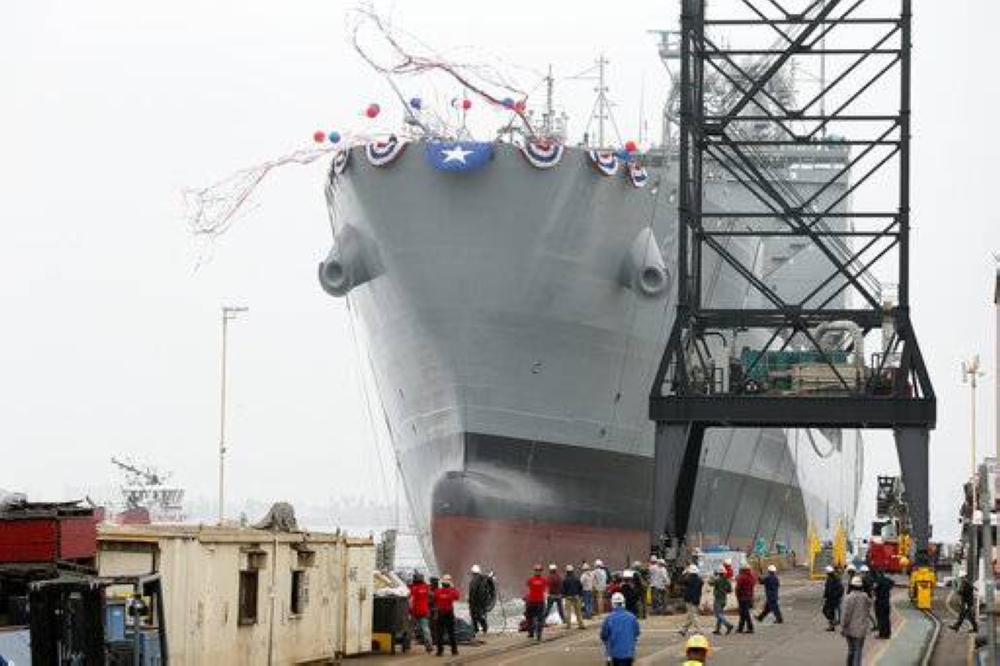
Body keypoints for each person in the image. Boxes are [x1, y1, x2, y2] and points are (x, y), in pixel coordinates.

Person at [600, 592, 641, 666]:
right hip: (629, 653)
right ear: (623, 603)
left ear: (613, 604)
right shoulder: (632, 617)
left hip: (614, 654)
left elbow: (603, 635)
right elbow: (637, 633)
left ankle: (609, 657)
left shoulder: (609, 618)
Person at [841, 575, 872, 666]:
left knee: (851, 650)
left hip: (849, 629)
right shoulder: (865, 597)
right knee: (858, 651)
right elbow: (869, 605)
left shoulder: (848, 598)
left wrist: (843, 627)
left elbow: (846, 615)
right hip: (861, 629)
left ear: (851, 586)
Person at [433, 574, 461, 657]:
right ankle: (454, 651)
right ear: (449, 583)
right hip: (449, 613)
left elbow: (434, 598)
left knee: (440, 633)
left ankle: (439, 651)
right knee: (451, 633)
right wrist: (452, 587)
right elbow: (457, 597)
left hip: (440, 614)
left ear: (442, 583)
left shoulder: (437, 591)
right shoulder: (452, 591)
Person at [409, 571, 433, 652]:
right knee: (425, 629)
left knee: (410, 628)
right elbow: (431, 596)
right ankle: (429, 645)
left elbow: (411, 601)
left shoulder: (413, 589)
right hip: (424, 611)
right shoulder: (426, 587)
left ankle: (407, 644)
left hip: (415, 612)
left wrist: (409, 610)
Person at [708, 565, 734, 635]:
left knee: (717, 614)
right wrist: (724, 590)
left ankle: (728, 625)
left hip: (718, 599)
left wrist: (712, 576)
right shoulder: (727, 580)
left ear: (719, 573)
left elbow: (710, 583)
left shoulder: (717, 580)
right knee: (720, 614)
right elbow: (730, 590)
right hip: (724, 599)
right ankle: (717, 630)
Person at [679, 564, 704, 636]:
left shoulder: (688, 579)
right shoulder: (699, 580)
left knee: (693, 616)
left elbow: (680, 581)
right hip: (696, 600)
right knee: (690, 615)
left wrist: (684, 573)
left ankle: (699, 630)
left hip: (689, 600)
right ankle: (684, 629)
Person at [525, 564, 548, 641]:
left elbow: (528, 586)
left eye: (538, 570)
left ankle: (532, 633)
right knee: (539, 619)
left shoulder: (530, 580)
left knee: (530, 618)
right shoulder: (544, 580)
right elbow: (545, 588)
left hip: (532, 602)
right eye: (537, 570)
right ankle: (538, 635)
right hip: (539, 602)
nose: (538, 572)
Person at [468, 564, 491, 638]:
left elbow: (474, 591)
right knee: (476, 616)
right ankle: (479, 629)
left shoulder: (476, 580)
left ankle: (481, 628)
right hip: (478, 602)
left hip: (476, 602)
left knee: (476, 616)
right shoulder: (480, 580)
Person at [561, 564, 586, 629]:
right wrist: (580, 595)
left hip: (568, 597)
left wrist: (564, 595)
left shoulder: (565, 580)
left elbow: (563, 589)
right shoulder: (576, 578)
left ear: (567, 571)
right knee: (578, 611)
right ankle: (581, 624)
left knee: (568, 612)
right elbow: (580, 587)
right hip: (576, 596)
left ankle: (568, 625)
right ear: (572, 571)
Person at [822, 565, 844, 631]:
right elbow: (827, 589)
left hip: (832, 599)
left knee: (826, 611)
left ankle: (832, 624)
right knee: (829, 612)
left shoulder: (834, 579)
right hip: (830, 598)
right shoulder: (831, 578)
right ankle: (832, 625)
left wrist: (834, 596)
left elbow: (840, 589)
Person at [873, 568, 893, 639]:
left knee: (880, 619)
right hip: (887, 602)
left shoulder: (878, 581)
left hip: (880, 602)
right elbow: (892, 583)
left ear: (878, 574)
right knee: (887, 618)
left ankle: (882, 634)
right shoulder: (887, 580)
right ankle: (888, 633)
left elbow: (874, 589)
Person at [735, 565, 756, 634]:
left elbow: (738, 588)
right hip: (749, 597)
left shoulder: (741, 577)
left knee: (745, 613)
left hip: (742, 597)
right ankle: (740, 628)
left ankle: (750, 628)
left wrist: (737, 596)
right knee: (743, 613)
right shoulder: (752, 577)